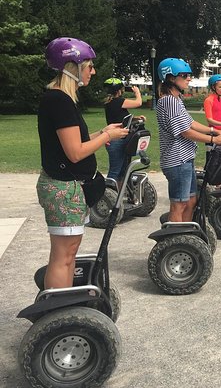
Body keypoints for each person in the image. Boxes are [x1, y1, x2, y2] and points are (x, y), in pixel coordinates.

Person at [37, 37, 129, 289]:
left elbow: (72, 141)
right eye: (89, 66)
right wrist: (108, 137)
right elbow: (75, 152)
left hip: (67, 187)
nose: (93, 71)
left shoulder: (61, 99)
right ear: (72, 67)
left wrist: (103, 132)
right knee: (64, 257)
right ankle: (58, 314)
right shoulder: (60, 101)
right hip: (64, 189)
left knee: (67, 254)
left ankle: (59, 309)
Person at [156, 58, 221, 223]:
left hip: (184, 159)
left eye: (189, 75)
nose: (189, 78)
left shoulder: (176, 100)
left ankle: (185, 234)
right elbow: (185, 132)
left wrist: (212, 129)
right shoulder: (168, 101)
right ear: (171, 78)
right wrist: (214, 139)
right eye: (185, 75)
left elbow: (190, 123)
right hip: (177, 160)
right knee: (179, 204)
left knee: (190, 202)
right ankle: (175, 239)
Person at [103, 78, 144, 186]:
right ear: (119, 90)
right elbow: (138, 102)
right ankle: (109, 197)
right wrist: (137, 92)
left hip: (119, 139)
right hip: (117, 140)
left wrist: (136, 118)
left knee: (122, 172)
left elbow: (121, 119)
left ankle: (118, 195)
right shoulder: (118, 101)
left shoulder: (110, 103)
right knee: (115, 172)